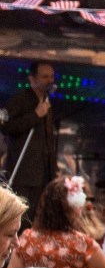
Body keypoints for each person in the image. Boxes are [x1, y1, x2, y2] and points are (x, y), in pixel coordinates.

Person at [3, 61, 60, 205]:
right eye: (45, 77)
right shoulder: (20, 100)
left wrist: (53, 169)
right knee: (22, 217)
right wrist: (35, 115)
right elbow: (6, 125)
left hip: (43, 175)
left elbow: (48, 140)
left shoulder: (46, 102)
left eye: (52, 77)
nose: (50, 81)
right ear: (32, 79)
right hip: (23, 174)